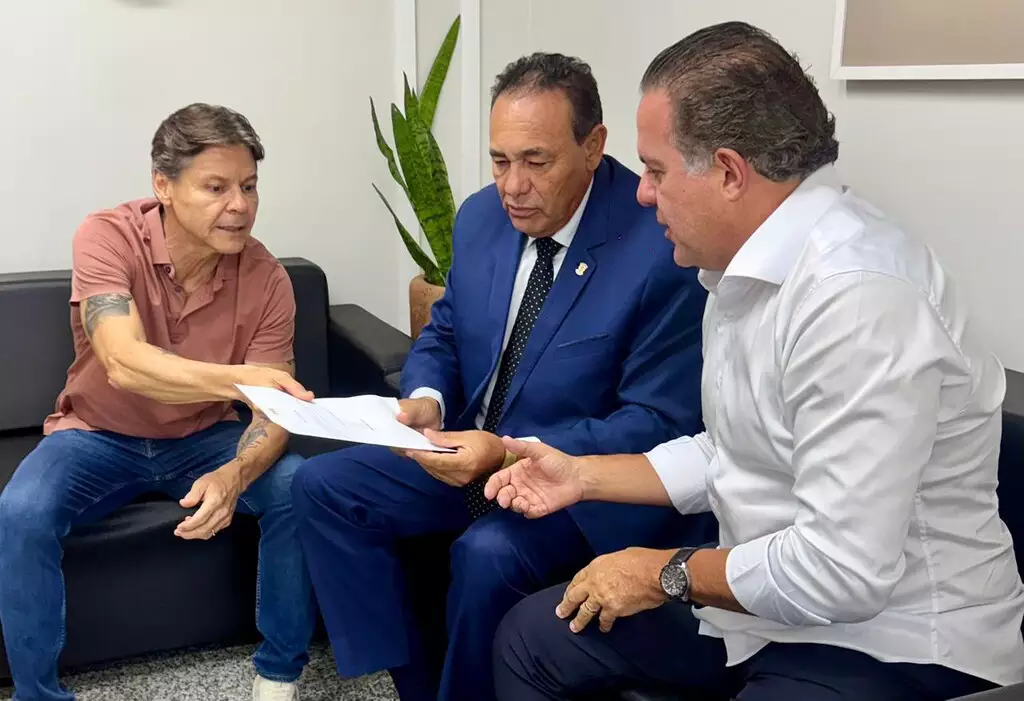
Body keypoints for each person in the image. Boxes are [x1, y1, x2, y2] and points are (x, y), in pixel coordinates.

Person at [486, 22, 1024, 701]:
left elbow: (843, 571)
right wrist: (582, 475)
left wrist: (664, 572)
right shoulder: (736, 273)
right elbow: (738, 450)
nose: (642, 194)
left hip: (897, 642)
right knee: (534, 637)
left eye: (655, 171)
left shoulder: (856, 296)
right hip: (765, 613)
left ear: (730, 172)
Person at [291, 53, 714, 701]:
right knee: (322, 485)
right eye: (499, 159)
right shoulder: (481, 217)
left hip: (577, 481)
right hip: (470, 451)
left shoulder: (658, 247)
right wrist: (427, 397)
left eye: (536, 161)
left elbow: (656, 421)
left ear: (593, 146)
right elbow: (448, 329)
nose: (512, 185)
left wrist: (512, 451)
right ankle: (411, 683)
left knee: (487, 554)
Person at [0, 103, 318, 701]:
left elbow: (274, 410)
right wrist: (243, 379)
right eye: (216, 188)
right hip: (97, 433)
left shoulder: (268, 277)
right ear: (163, 186)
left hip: (203, 438)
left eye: (249, 187)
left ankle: (278, 677)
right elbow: (124, 361)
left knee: (299, 487)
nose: (240, 205)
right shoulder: (107, 236)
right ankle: (37, 695)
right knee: (20, 512)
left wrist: (235, 471)